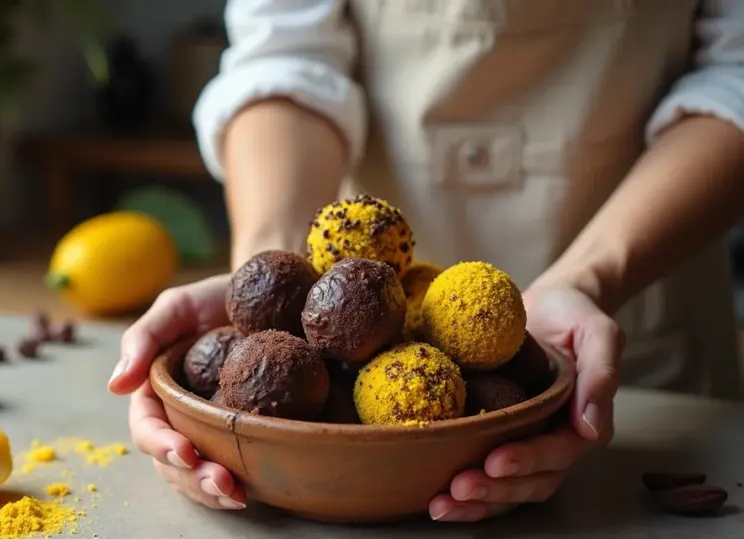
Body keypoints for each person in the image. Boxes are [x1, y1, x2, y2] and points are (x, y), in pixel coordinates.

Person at [108, 0, 744, 522]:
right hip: (359, 276)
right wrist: (265, 271)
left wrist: (590, 277)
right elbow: (285, 56)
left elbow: (735, 74)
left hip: (638, 320)